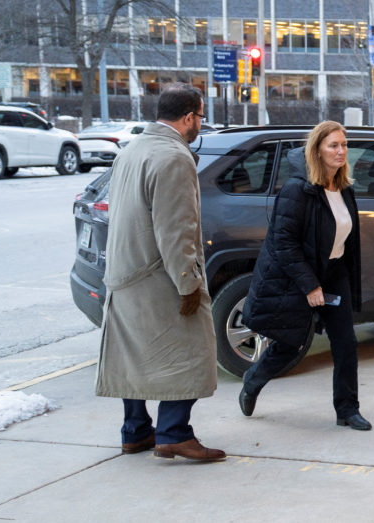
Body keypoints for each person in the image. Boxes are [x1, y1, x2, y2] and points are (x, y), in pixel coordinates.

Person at [95, 83, 224, 462]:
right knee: (191, 350)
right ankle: (174, 433)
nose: (200, 123)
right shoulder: (174, 157)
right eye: (201, 116)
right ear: (188, 118)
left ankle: (135, 431)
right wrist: (189, 285)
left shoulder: (132, 148)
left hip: (124, 273)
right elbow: (176, 229)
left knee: (132, 354)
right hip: (158, 276)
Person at [239, 121, 370, 431]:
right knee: (290, 343)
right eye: (333, 146)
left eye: (343, 145)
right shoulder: (299, 189)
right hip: (300, 278)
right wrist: (310, 284)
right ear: (317, 150)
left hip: (334, 273)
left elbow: (346, 241)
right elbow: (283, 243)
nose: (341, 151)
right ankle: (253, 379)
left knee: (346, 343)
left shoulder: (344, 188)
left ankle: (347, 409)